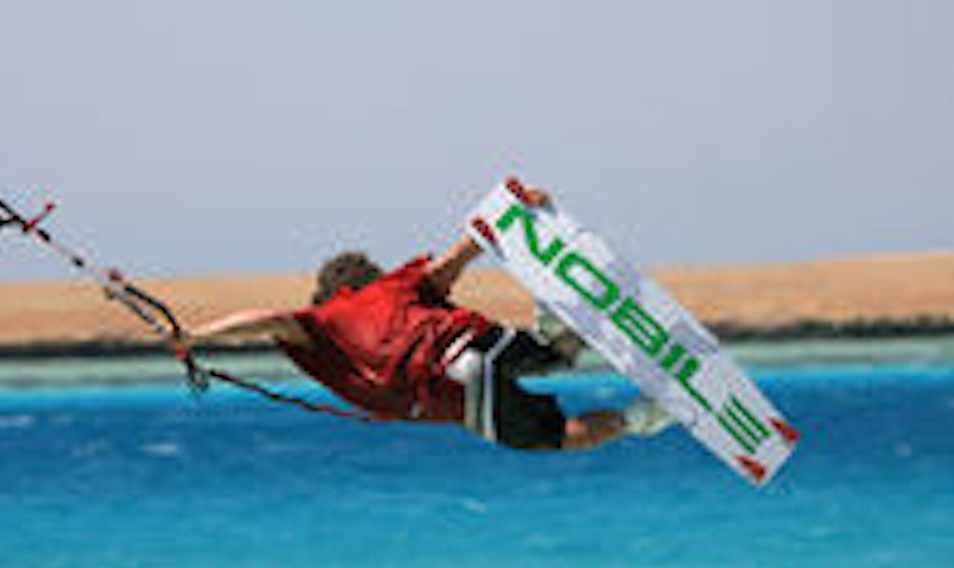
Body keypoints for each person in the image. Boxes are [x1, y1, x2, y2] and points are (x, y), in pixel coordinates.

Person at [173, 186, 672, 451]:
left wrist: (195, 335)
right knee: (552, 357)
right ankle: (553, 311)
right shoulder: (398, 285)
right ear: (371, 276)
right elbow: (457, 257)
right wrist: (514, 212)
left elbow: (266, 320)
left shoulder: (321, 322)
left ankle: (645, 416)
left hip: (450, 382)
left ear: (329, 293)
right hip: (475, 344)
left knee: (552, 436)